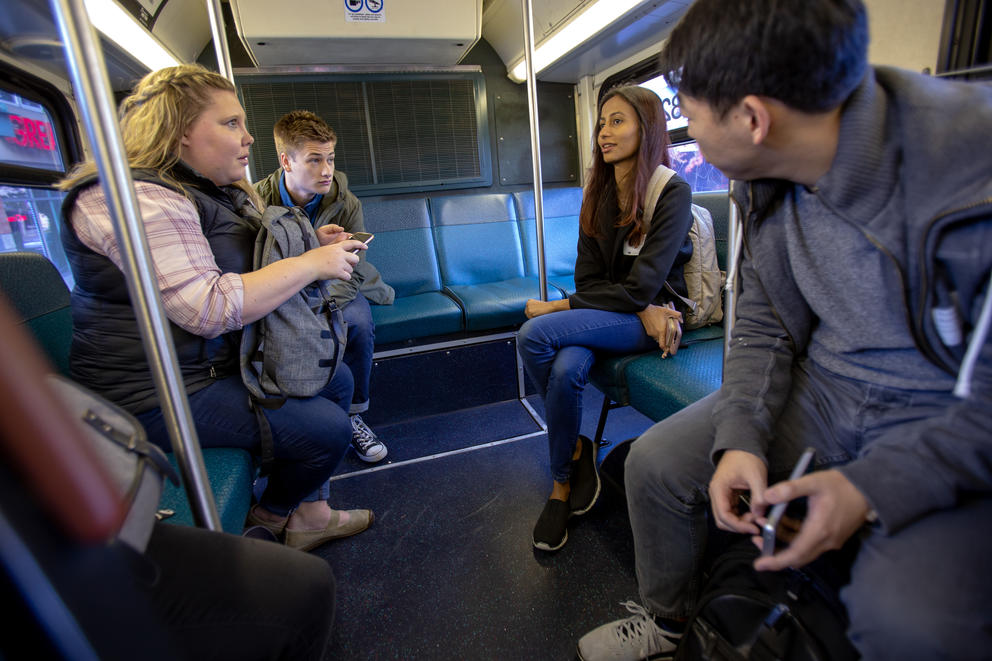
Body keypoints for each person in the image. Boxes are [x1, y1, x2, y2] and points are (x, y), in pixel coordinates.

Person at [577, 1, 992, 659]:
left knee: (911, 618)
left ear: (753, 118)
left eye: (691, 113)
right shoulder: (762, 177)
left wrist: (871, 487)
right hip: (825, 386)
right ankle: (669, 620)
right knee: (656, 465)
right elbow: (764, 323)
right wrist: (741, 435)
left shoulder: (971, 171)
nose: (687, 133)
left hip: (946, 413)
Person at [58, 64, 374, 551]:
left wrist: (312, 239)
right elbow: (207, 307)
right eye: (231, 123)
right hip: (156, 389)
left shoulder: (210, 191)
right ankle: (269, 519)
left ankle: (313, 514)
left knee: (338, 377)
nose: (248, 138)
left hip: (210, 363)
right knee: (326, 432)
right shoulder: (130, 197)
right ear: (180, 131)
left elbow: (233, 256)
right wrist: (312, 264)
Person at [517, 84, 694, 552]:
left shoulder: (672, 192)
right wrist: (636, 301)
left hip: (661, 319)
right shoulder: (597, 195)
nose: (603, 133)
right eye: (602, 123)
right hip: (630, 314)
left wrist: (559, 306)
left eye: (617, 121)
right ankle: (569, 466)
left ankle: (567, 468)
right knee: (566, 366)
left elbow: (643, 285)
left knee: (535, 334)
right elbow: (589, 279)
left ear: (647, 127)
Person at [255, 110, 394, 464]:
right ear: (286, 161)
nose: (326, 170)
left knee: (358, 323)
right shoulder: (258, 204)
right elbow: (262, 267)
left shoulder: (345, 202)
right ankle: (296, 419)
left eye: (330, 158)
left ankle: (354, 414)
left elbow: (354, 265)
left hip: (338, 287)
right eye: (314, 160)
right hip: (286, 291)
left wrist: (323, 303)